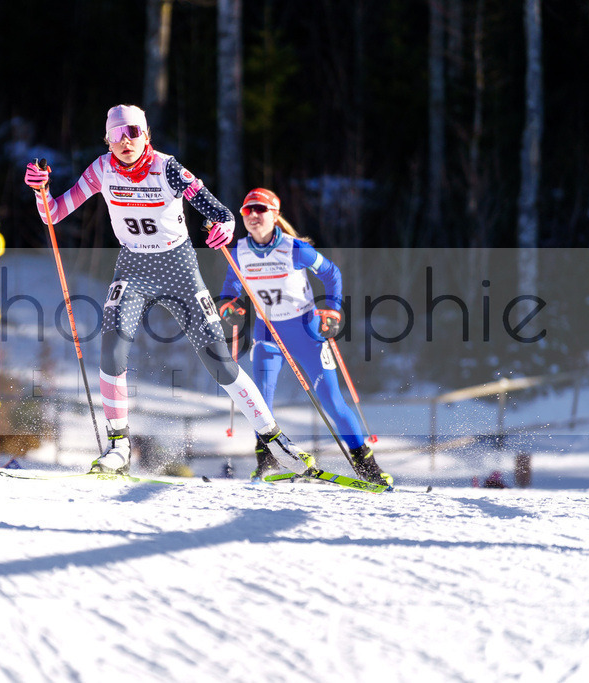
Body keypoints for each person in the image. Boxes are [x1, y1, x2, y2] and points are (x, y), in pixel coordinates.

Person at [24, 104, 313, 477]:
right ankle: (119, 446)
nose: (125, 141)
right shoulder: (101, 169)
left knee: (219, 361)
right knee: (111, 350)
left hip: (178, 268)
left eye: (133, 132)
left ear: (146, 135)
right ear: (107, 140)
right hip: (133, 267)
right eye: (116, 134)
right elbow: (52, 214)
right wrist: (41, 189)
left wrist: (224, 226)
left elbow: (219, 211)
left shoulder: (167, 168)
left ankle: (274, 438)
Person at [217, 188, 393, 486]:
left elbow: (331, 274)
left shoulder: (295, 249)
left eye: (261, 209)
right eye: (247, 210)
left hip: (305, 331)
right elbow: (230, 288)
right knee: (260, 403)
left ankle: (368, 467)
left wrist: (332, 311)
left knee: (332, 402)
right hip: (267, 333)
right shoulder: (239, 251)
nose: (253, 215)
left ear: (275, 214)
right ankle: (267, 460)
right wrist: (228, 307)